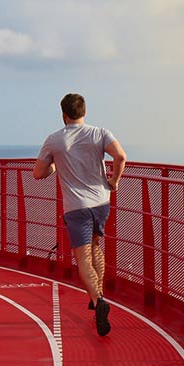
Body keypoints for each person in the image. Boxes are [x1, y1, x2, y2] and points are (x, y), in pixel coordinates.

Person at [34, 93, 126, 336]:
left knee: (83, 257)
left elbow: (38, 173)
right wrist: (114, 180)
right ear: (84, 112)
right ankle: (100, 294)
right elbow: (120, 156)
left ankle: (97, 301)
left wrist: (55, 164)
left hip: (77, 206)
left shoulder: (54, 140)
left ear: (63, 115)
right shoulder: (100, 133)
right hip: (102, 202)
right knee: (96, 246)